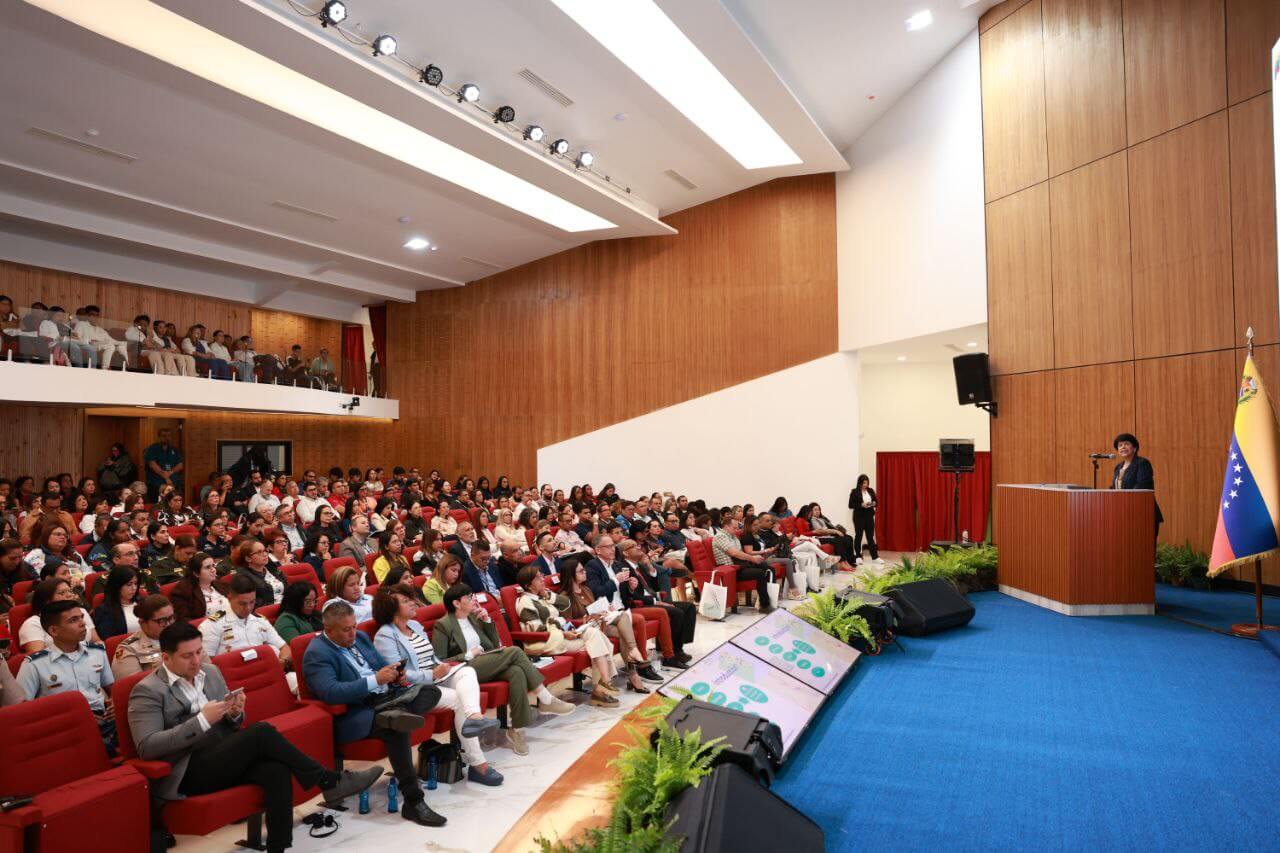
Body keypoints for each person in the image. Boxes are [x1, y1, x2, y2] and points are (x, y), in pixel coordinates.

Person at [131, 621, 381, 852]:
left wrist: (234, 714)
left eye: (199, 652)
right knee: (261, 732)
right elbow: (148, 746)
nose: (196, 661)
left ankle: (278, 847)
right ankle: (329, 780)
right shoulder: (147, 691)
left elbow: (230, 726)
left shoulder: (211, 672)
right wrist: (201, 720)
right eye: (187, 656)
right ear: (165, 657)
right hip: (186, 771)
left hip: (222, 756)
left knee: (276, 770)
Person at [301, 600, 448, 827]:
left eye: (354, 626)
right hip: (358, 711)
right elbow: (331, 693)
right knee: (395, 727)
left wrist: (395, 675)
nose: (352, 633)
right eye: (346, 629)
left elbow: (381, 666)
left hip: (387, 698)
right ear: (328, 630)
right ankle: (414, 801)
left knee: (430, 691)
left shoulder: (360, 638)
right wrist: (374, 680)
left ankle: (395, 712)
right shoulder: (316, 653)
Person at [372, 585, 503, 785]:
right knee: (459, 699)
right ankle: (479, 765)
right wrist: (431, 674)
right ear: (392, 609)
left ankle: (475, 718)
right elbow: (399, 674)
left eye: (411, 599)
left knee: (468, 671)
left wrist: (441, 667)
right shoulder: (385, 635)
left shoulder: (415, 626)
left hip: (436, 675)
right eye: (406, 601)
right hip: (415, 688)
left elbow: (431, 656)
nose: (413, 603)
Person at [431, 583, 575, 756]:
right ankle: (545, 699)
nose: (473, 600)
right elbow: (440, 661)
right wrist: (468, 654)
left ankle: (517, 730)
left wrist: (487, 622)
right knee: (514, 650)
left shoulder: (473, 618)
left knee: (516, 672)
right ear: (456, 603)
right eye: (469, 598)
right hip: (464, 670)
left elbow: (492, 646)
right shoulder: (443, 625)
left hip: (486, 661)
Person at [18, 599, 117, 753]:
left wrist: (114, 703)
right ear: (54, 631)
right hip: (63, 728)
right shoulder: (34, 664)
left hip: (103, 720)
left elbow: (112, 689)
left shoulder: (97, 652)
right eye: (73, 620)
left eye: (82, 617)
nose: (83, 624)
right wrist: (76, 719)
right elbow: (23, 713)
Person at [515, 566, 618, 707]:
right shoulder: (525, 601)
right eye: (538, 578)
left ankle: (603, 684)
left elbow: (566, 603)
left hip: (562, 634)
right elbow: (537, 628)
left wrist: (548, 595)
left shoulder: (542, 596)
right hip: (548, 640)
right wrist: (562, 632)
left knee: (594, 633)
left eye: (542, 575)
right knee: (597, 641)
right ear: (528, 585)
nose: (542, 579)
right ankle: (602, 687)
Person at [583, 535, 682, 670]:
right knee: (639, 619)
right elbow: (596, 591)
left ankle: (669, 656)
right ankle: (643, 664)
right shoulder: (592, 566)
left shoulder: (617, 565)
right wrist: (615, 581)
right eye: (608, 547)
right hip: (607, 612)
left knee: (662, 612)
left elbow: (626, 594)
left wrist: (631, 587)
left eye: (613, 546)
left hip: (624, 607)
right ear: (598, 550)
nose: (613, 549)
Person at [561, 561, 658, 687]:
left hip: (599, 623)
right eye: (580, 571)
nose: (585, 572)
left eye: (583, 569)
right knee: (626, 630)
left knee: (623, 620)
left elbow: (593, 608)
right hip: (587, 631)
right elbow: (566, 624)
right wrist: (586, 618)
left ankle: (633, 669)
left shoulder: (585, 589)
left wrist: (606, 609)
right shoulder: (564, 597)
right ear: (571, 575)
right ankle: (633, 673)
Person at [200, 575, 293, 678]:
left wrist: (282, 661)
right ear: (230, 598)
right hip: (234, 680)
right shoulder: (212, 625)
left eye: (252, 602)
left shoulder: (260, 620)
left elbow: (284, 648)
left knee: (295, 679)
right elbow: (207, 666)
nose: (248, 608)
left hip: (265, 674)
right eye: (242, 604)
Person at [18, 576, 100, 653]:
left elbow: (96, 641)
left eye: (70, 591)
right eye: (62, 593)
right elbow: (39, 660)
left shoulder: (80, 612)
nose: (69, 595)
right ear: (47, 600)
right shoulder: (33, 624)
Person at [712, 517, 774, 613]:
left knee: (768, 568)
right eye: (734, 528)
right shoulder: (720, 536)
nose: (737, 530)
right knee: (760, 573)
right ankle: (764, 605)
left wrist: (755, 558)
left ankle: (771, 601)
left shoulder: (733, 536)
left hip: (739, 565)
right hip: (730, 570)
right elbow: (734, 553)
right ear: (726, 526)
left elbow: (741, 553)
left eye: (737, 528)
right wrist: (753, 558)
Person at [1112, 432, 1163, 537]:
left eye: (1126, 444)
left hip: (1143, 512)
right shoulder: (1118, 467)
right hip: (1125, 514)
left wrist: (1125, 501)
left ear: (1134, 448)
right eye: (1120, 445)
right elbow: (1116, 488)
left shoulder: (1142, 463)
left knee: (1144, 549)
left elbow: (1142, 485)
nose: (1123, 447)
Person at [111, 594, 174, 678]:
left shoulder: (182, 636)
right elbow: (132, 687)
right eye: (162, 621)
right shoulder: (129, 650)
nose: (169, 624)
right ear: (142, 623)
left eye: (171, 618)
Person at [169, 552, 229, 622]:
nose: (213, 570)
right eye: (207, 567)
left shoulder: (220, 584)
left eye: (213, 566)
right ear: (196, 573)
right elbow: (183, 620)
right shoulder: (183, 591)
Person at [91, 565, 142, 639]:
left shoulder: (142, 602)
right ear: (117, 586)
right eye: (129, 584)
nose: (134, 588)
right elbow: (109, 641)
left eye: (136, 583)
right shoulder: (104, 611)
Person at [233, 538, 286, 608]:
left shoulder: (272, 569)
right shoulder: (243, 578)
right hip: (270, 612)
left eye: (265, 551)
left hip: (285, 606)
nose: (265, 554)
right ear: (248, 558)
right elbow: (254, 604)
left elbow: (287, 588)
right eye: (259, 552)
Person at [144, 428, 184, 503]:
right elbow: (152, 465)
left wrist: (170, 472)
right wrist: (166, 477)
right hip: (156, 483)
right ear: (159, 437)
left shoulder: (174, 449)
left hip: (173, 482)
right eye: (164, 436)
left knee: (173, 502)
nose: (167, 438)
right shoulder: (152, 449)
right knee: (157, 504)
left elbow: (180, 465)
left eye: (169, 436)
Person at [848, 474, 882, 564]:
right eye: (864, 483)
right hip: (859, 517)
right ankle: (858, 556)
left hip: (869, 516)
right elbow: (850, 505)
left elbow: (876, 502)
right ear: (859, 483)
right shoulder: (855, 492)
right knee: (858, 536)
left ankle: (875, 557)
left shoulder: (870, 491)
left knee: (870, 537)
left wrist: (874, 503)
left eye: (866, 483)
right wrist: (861, 505)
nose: (865, 485)